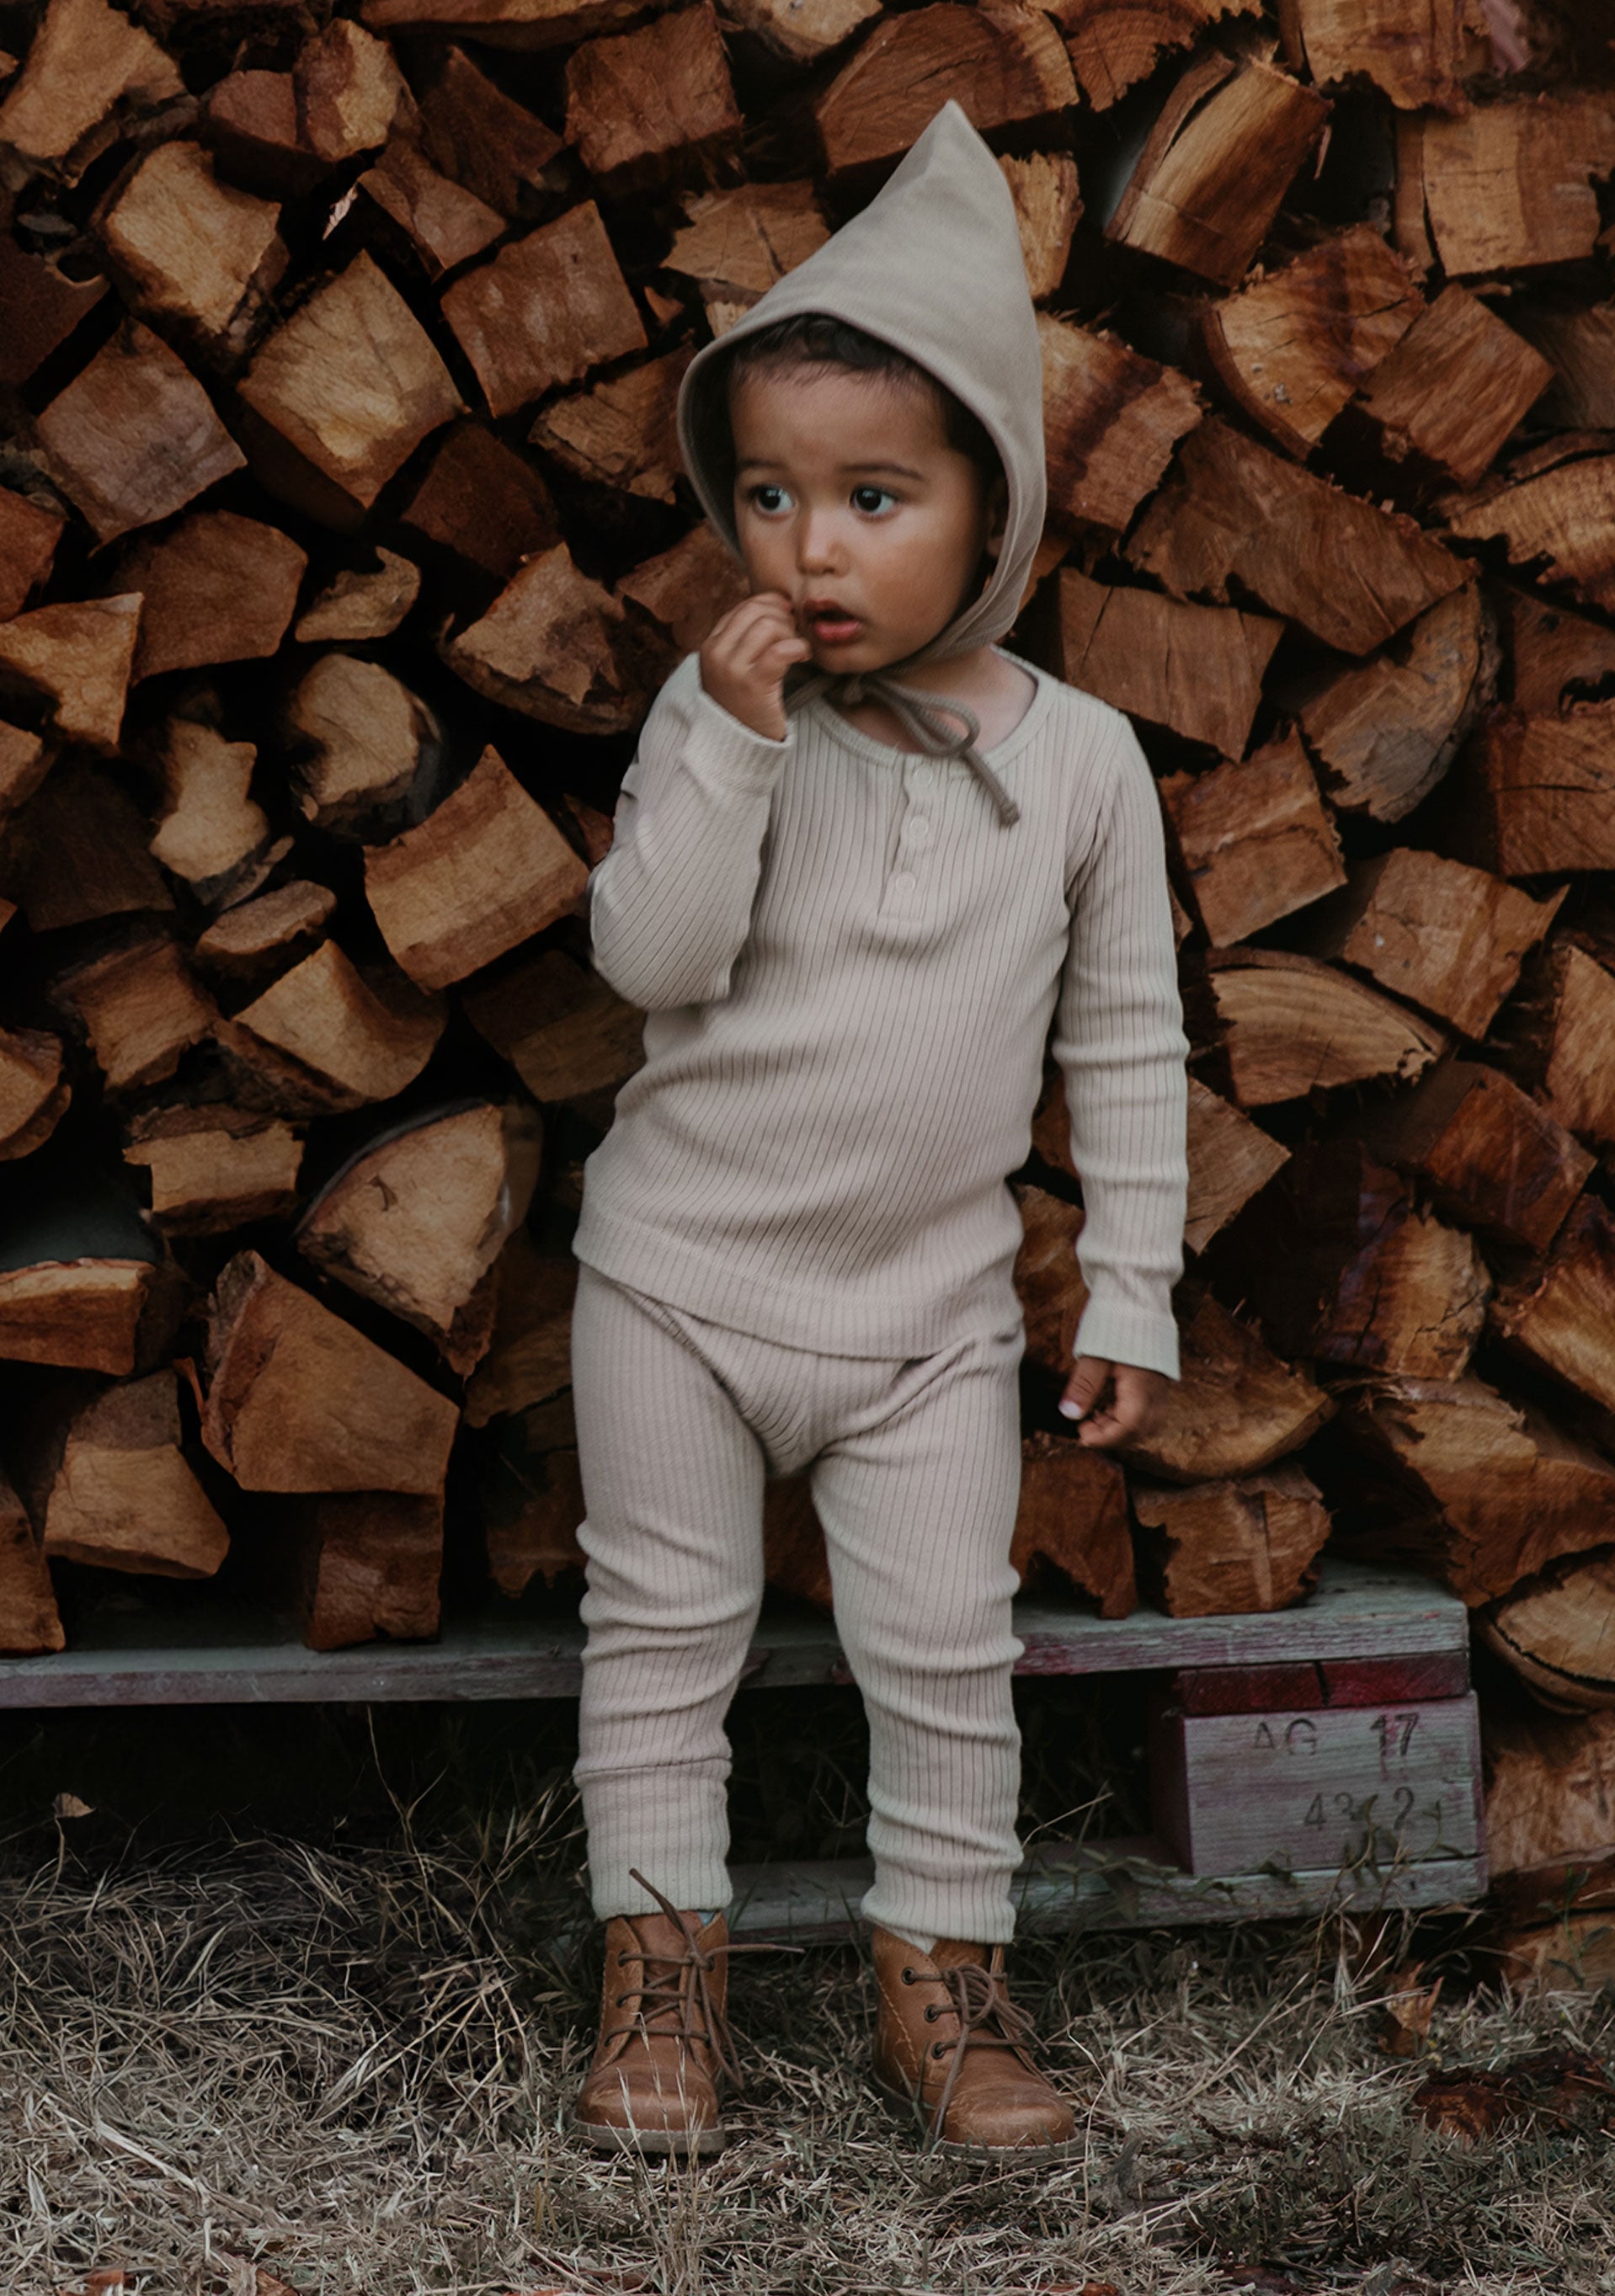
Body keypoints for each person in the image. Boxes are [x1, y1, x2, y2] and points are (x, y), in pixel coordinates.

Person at [568, 101, 1187, 2162]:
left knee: (943, 1651)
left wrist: (1130, 1287)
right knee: (663, 1637)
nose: (805, 548)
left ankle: (949, 1984)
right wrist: (736, 751)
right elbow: (646, 959)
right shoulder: (715, 715)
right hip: (679, 1279)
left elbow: (1126, 1035)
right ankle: (663, 1970)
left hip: (923, 1314)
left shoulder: (1083, 760)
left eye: (871, 496)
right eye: (765, 494)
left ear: (991, 503)